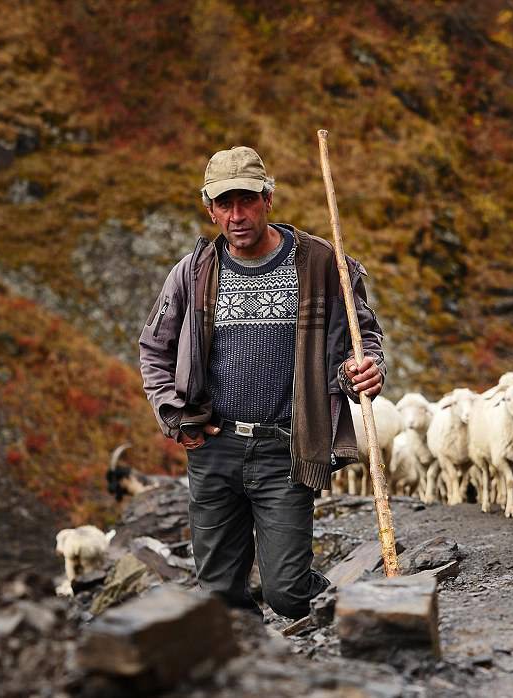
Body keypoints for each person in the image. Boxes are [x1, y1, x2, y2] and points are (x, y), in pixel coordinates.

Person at [139, 145, 385, 619]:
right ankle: (253, 659)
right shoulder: (193, 273)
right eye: (224, 204)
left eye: (247, 200)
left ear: (268, 199)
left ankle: (344, 609)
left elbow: (362, 338)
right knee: (218, 596)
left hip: (286, 448)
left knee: (288, 593)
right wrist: (175, 416)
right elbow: (154, 349)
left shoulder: (320, 264)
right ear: (210, 209)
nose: (237, 215)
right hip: (214, 448)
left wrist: (364, 368)